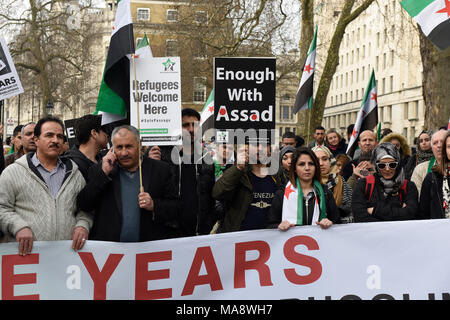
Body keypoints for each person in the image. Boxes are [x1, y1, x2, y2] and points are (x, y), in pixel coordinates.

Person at [0, 116, 92, 255]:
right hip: (26, 260)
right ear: (36, 140)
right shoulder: (13, 172)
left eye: (60, 136)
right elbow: (2, 208)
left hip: (67, 258)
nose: (55, 140)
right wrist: (18, 226)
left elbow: (85, 210)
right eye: (49, 135)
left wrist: (82, 226)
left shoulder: (75, 174)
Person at [76, 125, 179, 242]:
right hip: (111, 251)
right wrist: (103, 174)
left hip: (147, 250)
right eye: (119, 147)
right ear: (112, 148)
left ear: (139, 144)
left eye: (129, 146)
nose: (124, 153)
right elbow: (84, 204)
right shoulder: (101, 169)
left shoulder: (160, 170)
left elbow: (175, 208)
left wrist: (154, 205)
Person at [147, 108, 217, 236]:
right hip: (168, 232)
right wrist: (150, 163)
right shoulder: (162, 157)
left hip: (198, 233)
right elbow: (150, 192)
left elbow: (211, 197)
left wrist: (208, 223)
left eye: (194, 125)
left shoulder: (206, 159)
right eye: (185, 125)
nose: (191, 129)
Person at [212, 142, 280, 232]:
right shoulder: (238, 173)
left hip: (271, 239)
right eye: (255, 144)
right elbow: (218, 193)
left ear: (269, 150)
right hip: (240, 237)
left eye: (263, 145)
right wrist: (238, 168)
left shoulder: (278, 175)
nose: (259, 149)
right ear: (247, 148)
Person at [268, 147, 339, 231]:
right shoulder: (281, 194)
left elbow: (337, 223)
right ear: (294, 168)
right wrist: (278, 226)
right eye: (301, 164)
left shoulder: (325, 193)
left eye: (311, 164)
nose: (307, 168)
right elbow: (270, 225)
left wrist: (329, 223)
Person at [352, 142, 419, 222]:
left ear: (398, 164)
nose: (387, 169)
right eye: (382, 165)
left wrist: (374, 210)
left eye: (392, 165)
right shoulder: (363, 185)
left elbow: (410, 214)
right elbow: (359, 216)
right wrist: (399, 211)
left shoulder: (408, 186)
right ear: (376, 166)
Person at [312, 146, 353, 223]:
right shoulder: (306, 183)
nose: (321, 163)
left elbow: (350, 210)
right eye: (316, 160)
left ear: (330, 160)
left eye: (324, 159)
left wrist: (336, 223)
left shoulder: (340, 181)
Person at [62, 114, 108, 181]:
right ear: (94, 133)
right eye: (105, 131)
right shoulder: (71, 166)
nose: (107, 135)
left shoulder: (104, 160)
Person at [418, 130, 450, 219]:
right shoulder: (432, 179)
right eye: (449, 146)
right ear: (445, 151)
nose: (439, 145)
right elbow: (423, 214)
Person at [411, 129, 447, 196]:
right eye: (435, 143)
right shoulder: (420, 168)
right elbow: (416, 196)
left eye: (442, 142)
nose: (439, 145)